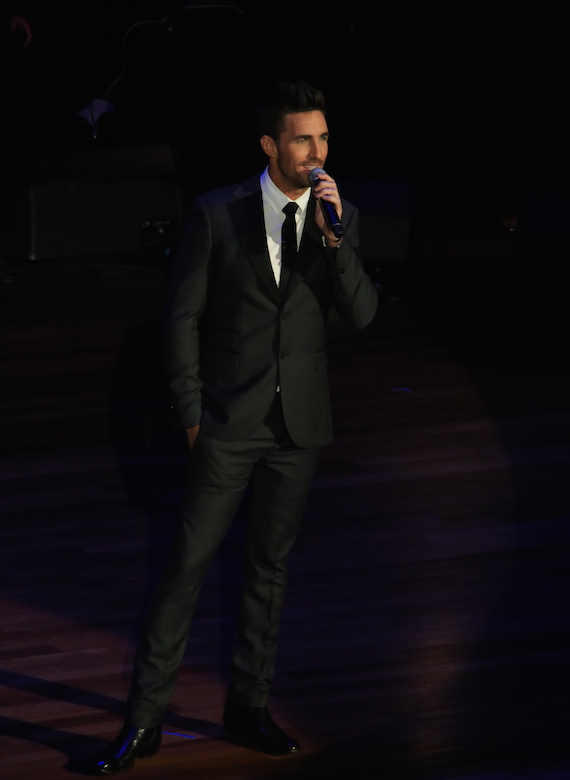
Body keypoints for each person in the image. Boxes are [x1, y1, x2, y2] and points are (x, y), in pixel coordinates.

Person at [91, 80, 378, 775]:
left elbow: (364, 315)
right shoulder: (218, 215)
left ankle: (248, 707)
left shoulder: (337, 218)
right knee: (187, 567)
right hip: (226, 422)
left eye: (325, 138)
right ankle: (145, 719)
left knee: (268, 571)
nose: (318, 153)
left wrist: (336, 242)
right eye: (305, 139)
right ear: (271, 145)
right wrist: (191, 412)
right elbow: (180, 318)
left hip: (298, 426)